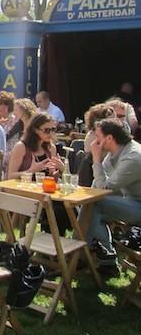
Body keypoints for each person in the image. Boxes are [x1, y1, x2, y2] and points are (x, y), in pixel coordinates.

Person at [87, 118, 141, 277]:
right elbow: (98, 184)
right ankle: (105, 260)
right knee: (91, 207)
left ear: (109, 138)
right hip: (130, 200)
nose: (95, 141)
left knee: (93, 204)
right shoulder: (115, 153)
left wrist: (95, 159)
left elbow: (104, 187)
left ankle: (83, 253)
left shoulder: (132, 157)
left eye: (98, 137)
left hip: (138, 206)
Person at [7, 113, 64, 181]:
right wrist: (32, 171)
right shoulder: (21, 147)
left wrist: (60, 169)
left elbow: (51, 178)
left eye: (53, 129)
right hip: (23, 188)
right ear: (35, 130)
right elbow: (10, 176)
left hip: (42, 189)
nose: (51, 133)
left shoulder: (51, 148)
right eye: (47, 130)